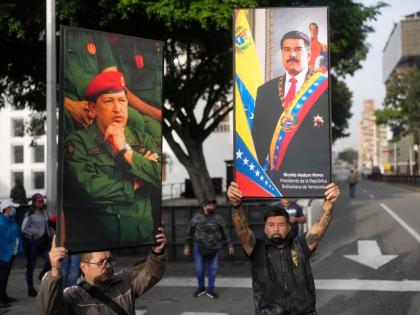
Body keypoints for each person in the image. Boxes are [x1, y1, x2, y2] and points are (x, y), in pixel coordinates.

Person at [64, 71, 161, 250]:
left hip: (144, 241)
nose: (118, 108)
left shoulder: (143, 139)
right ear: (93, 109)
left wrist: (125, 151)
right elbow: (91, 190)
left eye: (122, 100)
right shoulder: (77, 143)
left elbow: (158, 176)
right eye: (109, 101)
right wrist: (136, 183)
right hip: (101, 247)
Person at [227, 181, 340, 314]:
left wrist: (329, 202)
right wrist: (236, 205)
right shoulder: (257, 248)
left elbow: (320, 227)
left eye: (281, 225)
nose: (276, 228)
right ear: (265, 228)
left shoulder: (301, 245)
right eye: (271, 224)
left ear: (289, 227)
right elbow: (242, 231)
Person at [252, 31, 329, 196]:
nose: (292, 54)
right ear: (282, 54)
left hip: (308, 179)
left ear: (308, 55)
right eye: (287, 50)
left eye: (298, 49)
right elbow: (258, 139)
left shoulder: (324, 88)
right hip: (273, 180)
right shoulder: (264, 91)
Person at [37, 227, 167, 314]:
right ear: (84, 267)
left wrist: (157, 252)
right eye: (100, 263)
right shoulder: (73, 296)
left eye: (109, 260)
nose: (108, 265)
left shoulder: (125, 282)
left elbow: (151, 275)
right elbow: (48, 311)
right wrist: (55, 271)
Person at [63, 28, 161, 140]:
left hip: (97, 100)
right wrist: (70, 105)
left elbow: (113, 82)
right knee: (65, 118)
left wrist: (99, 107)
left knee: (134, 118)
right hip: (68, 101)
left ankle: (131, 155)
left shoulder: (96, 35)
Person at [183, 199, 234, 299]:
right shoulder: (197, 217)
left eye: (213, 205)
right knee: (199, 269)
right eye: (209, 205)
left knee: (213, 270)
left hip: (215, 248)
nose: (211, 207)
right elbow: (189, 232)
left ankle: (210, 289)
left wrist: (230, 245)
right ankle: (201, 288)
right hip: (199, 247)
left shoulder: (218, 218)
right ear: (204, 206)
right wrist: (186, 246)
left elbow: (225, 232)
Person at [21, 193, 51, 297]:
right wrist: (36, 232)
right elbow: (24, 228)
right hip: (33, 243)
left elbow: (47, 225)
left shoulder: (45, 212)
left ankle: (42, 274)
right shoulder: (30, 214)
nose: (41, 203)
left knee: (51, 260)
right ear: (34, 202)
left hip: (44, 242)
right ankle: (30, 289)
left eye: (42, 201)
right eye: (39, 201)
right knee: (31, 266)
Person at [0, 200, 23, 308]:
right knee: (2, 277)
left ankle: (4, 296)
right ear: (6, 209)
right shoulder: (2, 222)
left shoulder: (9, 221)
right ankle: (1, 300)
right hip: (3, 255)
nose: (13, 210)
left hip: (9, 255)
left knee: (5, 276)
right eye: (11, 208)